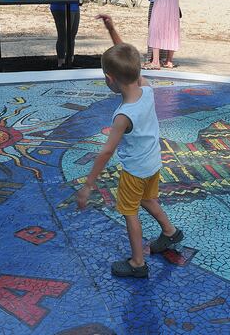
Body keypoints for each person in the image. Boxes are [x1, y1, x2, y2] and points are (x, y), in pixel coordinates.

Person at [77, 14, 184, 278]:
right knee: (148, 198)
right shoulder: (146, 89)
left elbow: (106, 151)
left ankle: (138, 263)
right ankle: (170, 232)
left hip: (135, 171)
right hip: (153, 164)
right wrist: (112, 30)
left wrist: (89, 183)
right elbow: (128, 61)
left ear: (109, 79)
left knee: (130, 212)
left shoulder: (123, 116)